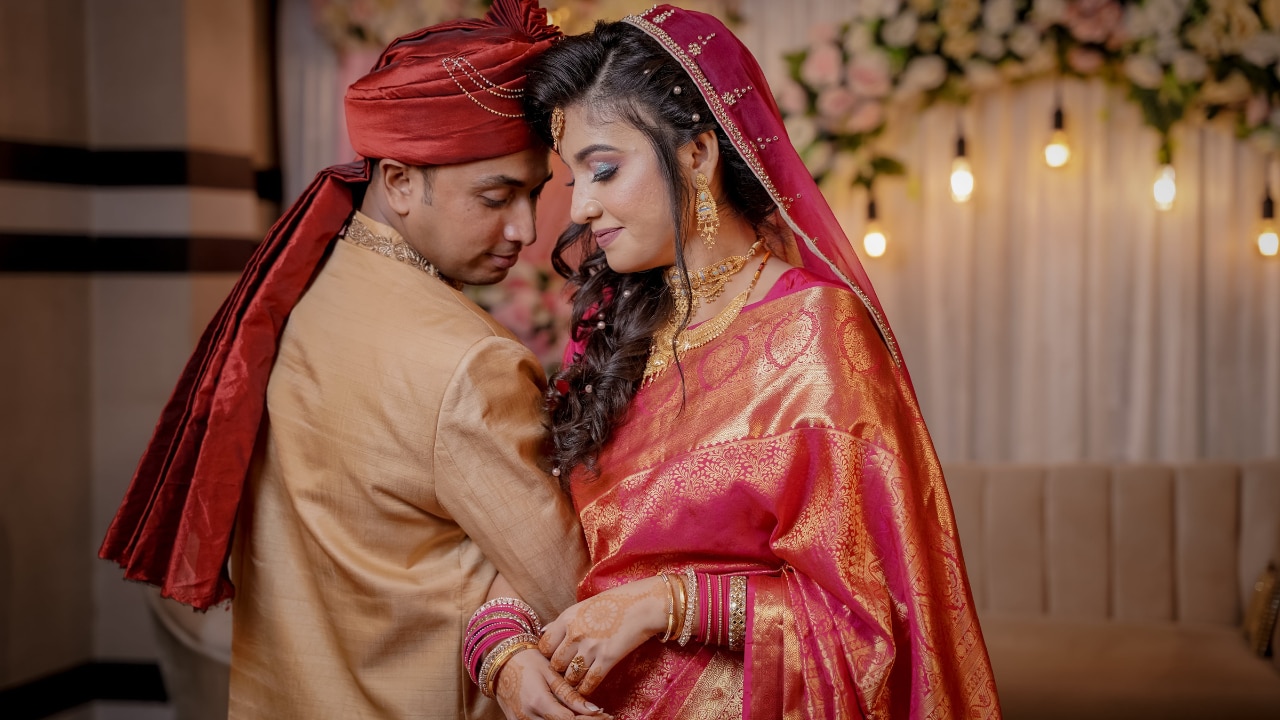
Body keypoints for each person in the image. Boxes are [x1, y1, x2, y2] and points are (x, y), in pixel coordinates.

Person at [490, 5, 1002, 718]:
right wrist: (500, 645)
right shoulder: (616, 335)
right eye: (571, 180)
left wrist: (668, 604)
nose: (581, 207)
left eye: (602, 170)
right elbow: (543, 531)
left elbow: (872, 626)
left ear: (697, 155)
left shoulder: (819, 335)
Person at [98, 2, 598, 718]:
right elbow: (570, 591)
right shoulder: (471, 361)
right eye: (497, 196)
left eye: (533, 193)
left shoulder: (299, 293)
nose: (524, 228)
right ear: (397, 181)